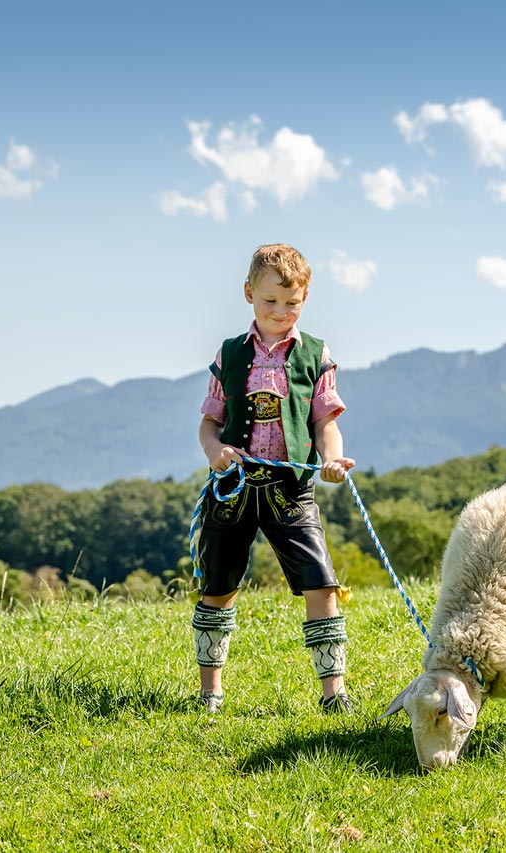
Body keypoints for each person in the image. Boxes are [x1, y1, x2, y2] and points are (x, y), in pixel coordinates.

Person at [193, 243, 356, 714]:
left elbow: (326, 422)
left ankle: (334, 694)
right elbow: (209, 422)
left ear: (304, 300)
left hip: (291, 490)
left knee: (321, 583)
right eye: (270, 301)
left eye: (292, 303)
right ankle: (210, 693)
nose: (281, 312)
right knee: (218, 586)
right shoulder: (229, 355)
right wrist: (214, 451)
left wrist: (333, 460)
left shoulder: (315, 355)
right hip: (235, 487)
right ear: (249, 293)